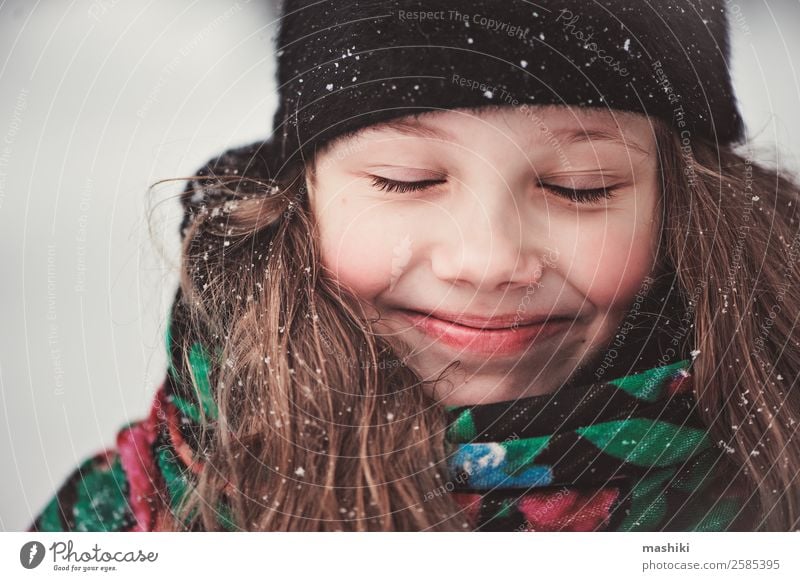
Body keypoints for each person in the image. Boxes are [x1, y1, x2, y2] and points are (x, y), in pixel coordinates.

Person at [29, 0, 800, 532]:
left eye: (580, 188)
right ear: (303, 197)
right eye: (407, 179)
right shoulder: (149, 515)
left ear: (683, 205)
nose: (487, 261)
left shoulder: (777, 478)